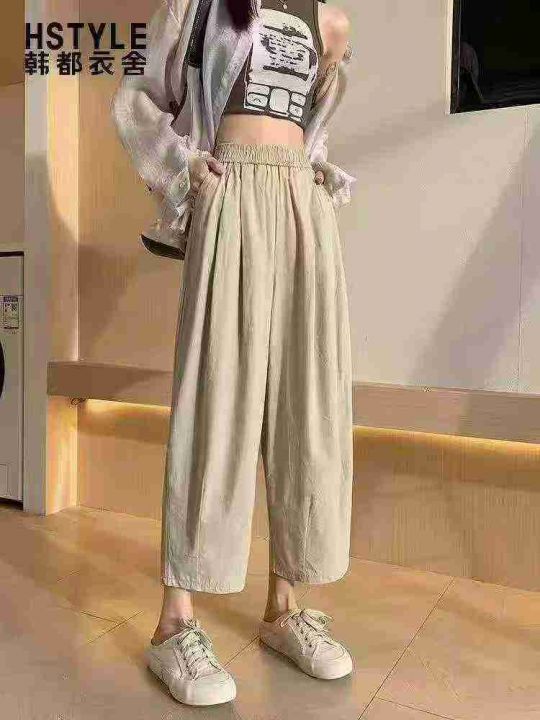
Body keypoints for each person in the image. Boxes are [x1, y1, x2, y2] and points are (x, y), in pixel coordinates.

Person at [111, 0, 356, 707]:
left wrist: (314, 177)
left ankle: (284, 606)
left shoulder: (330, 21)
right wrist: (184, 172)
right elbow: (137, 100)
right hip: (231, 195)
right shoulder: (196, 5)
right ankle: (174, 623)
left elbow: (314, 127)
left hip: (302, 208)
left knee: (305, 397)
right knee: (216, 395)